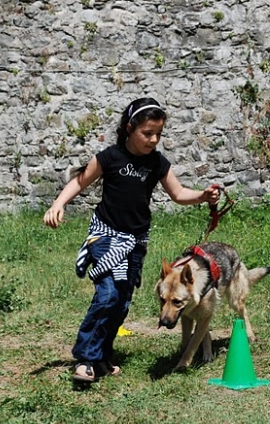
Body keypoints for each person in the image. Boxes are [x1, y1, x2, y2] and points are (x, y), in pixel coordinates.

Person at [43, 97, 220, 383]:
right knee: (108, 295)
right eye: (147, 133)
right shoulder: (110, 157)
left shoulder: (157, 163)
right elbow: (79, 181)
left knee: (122, 302)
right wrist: (58, 204)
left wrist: (202, 196)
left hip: (135, 243)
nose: (153, 140)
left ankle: (101, 355)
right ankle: (86, 358)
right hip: (105, 237)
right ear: (129, 128)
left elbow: (178, 193)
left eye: (158, 135)